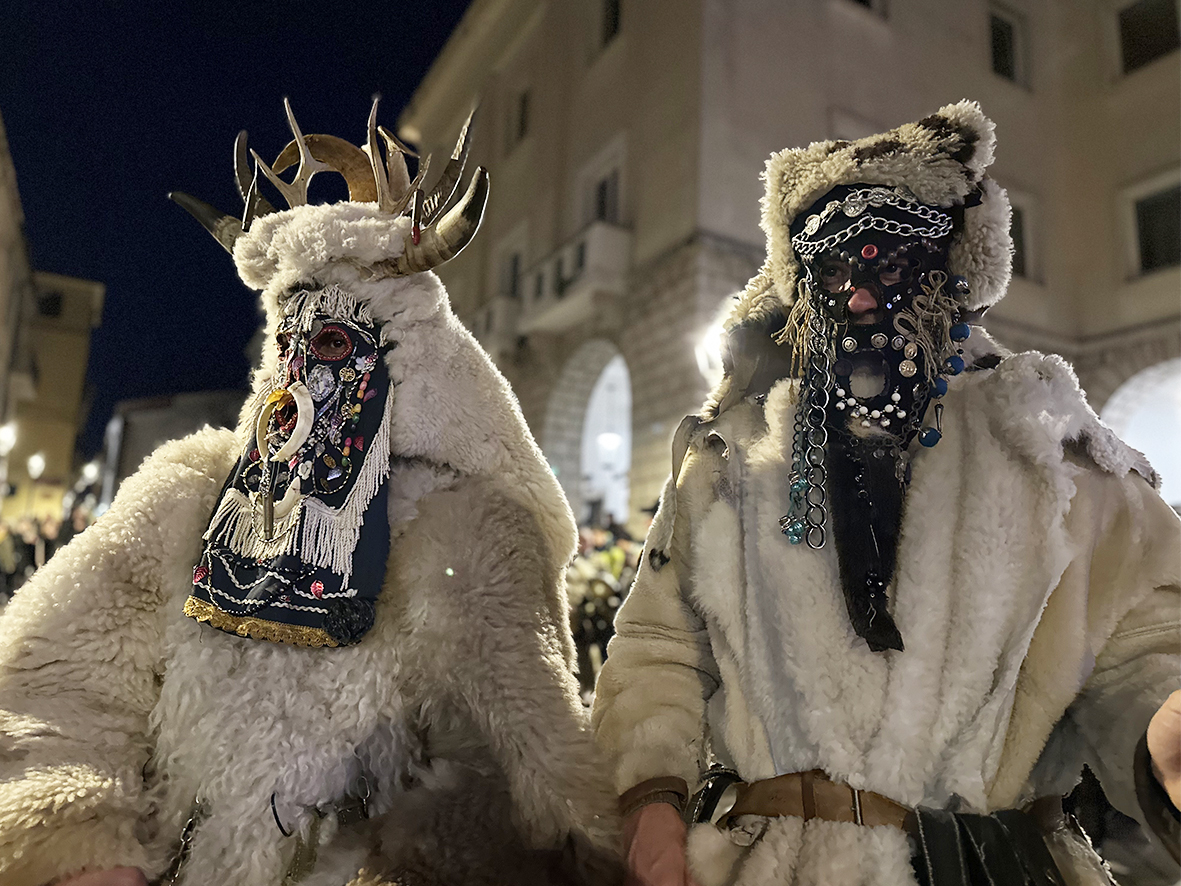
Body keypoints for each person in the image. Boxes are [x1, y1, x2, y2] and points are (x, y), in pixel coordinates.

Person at [0, 99, 619, 886]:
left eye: (328, 345)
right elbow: (56, 680)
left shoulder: (475, 531)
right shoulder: (185, 497)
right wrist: (80, 837)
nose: (300, 377)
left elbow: (526, 766)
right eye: (287, 343)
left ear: (399, 358)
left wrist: (411, 856)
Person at [592, 101, 1180, 885]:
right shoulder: (729, 459)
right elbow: (659, 648)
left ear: (948, 266)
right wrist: (649, 801)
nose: (858, 293)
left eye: (883, 257)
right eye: (829, 270)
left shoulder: (1053, 454)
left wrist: (1162, 732)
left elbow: (1137, 653)